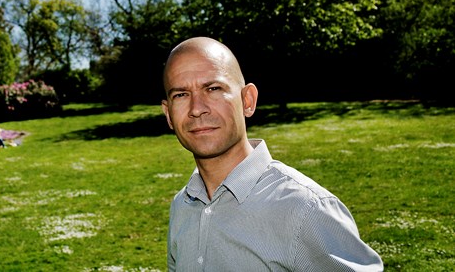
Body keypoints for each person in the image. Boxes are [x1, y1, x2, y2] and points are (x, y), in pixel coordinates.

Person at [161, 37, 383, 271]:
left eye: (213, 88)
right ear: (168, 114)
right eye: (181, 95)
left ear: (247, 100)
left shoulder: (305, 210)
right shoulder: (182, 205)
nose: (197, 108)